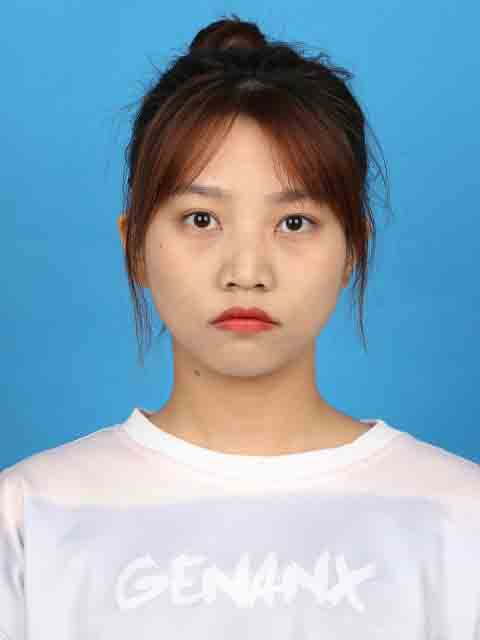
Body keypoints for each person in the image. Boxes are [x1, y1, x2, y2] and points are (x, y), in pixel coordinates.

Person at [1, 14, 479, 639]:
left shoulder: (458, 517)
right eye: (201, 219)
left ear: (353, 251)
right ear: (135, 246)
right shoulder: (28, 518)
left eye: (294, 223)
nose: (247, 272)